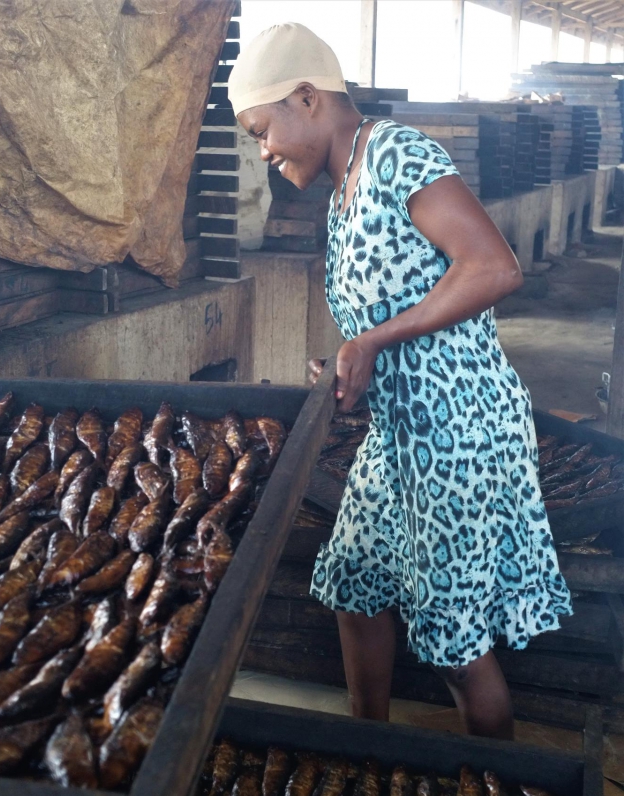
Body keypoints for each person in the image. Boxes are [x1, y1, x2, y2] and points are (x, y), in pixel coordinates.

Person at [228, 23, 572, 740]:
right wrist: (350, 362)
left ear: (307, 98)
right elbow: (392, 309)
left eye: (263, 132)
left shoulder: (395, 154)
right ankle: (369, 747)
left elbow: (494, 267)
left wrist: (374, 341)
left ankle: (493, 777)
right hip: (399, 436)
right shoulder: (343, 189)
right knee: (354, 585)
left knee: (456, 648)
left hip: (459, 432)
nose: (263, 152)